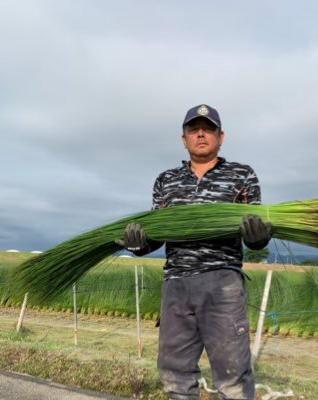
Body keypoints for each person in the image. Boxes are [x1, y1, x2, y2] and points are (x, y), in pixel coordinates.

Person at [117, 104, 272, 400]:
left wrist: (258, 238)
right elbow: (156, 236)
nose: (201, 133)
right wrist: (138, 244)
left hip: (222, 282)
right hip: (176, 284)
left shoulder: (242, 175)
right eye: (194, 129)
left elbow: (254, 234)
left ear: (221, 136)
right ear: (184, 138)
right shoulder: (166, 181)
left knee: (233, 376)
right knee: (174, 373)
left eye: (209, 128)